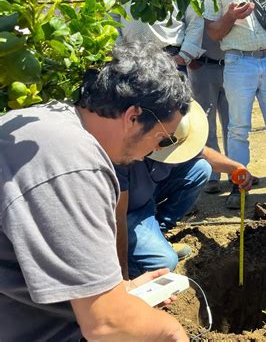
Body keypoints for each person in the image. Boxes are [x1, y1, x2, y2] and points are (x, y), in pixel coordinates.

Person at [0, 42, 190, 340]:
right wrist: (171, 330)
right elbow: (105, 323)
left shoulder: (46, 122)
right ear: (133, 117)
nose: (155, 150)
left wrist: (116, 291)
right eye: (162, 139)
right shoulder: (76, 163)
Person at [115, 101, 253, 278]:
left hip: (146, 196)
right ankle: (138, 257)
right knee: (164, 262)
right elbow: (118, 217)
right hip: (128, 212)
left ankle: (158, 233)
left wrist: (236, 168)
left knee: (201, 168)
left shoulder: (171, 136)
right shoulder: (128, 154)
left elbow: (202, 153)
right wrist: (122, 277)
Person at [204, 0, 266, 207]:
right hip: (237, 61)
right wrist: (230, 17)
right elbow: (213, 33)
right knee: (237, 128)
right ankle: (238, 180)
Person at [188, 24, 231, 194]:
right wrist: (188, 55)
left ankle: (237, 172)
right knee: (206, 124)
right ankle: (213, 175)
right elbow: (186, 24)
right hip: (202, 66)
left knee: (234, 124)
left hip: (232, 64)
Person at [118, 3, 205, 73]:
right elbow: (112, 14)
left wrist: (184, 55)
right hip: (129, 56)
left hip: (170, 57)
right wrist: (118, 53)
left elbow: (195, 19)